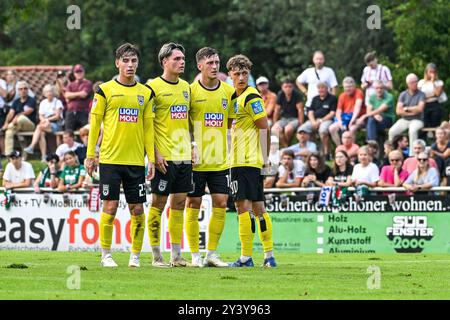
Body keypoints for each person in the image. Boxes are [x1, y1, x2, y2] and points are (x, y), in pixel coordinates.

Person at [85, 43, 155, 268]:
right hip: (109, 160)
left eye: (134, 60)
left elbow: (149, 129)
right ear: (117, 63)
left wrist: (151, 158)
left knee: (137, 209)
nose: (130, 65)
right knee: (110, 206)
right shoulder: (104, 90)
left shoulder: (145, 92)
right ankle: (106, 254)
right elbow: (94, 124)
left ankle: (135, 256)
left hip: (135, 162)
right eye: (125, 60)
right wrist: (90, 154)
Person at [185, 47, 235, 267]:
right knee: (193, 203)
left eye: (217, 62)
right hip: (196, 161)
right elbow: (183, 123)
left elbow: (229, 123)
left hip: (220, 160)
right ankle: (195, 255)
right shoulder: (190, 91)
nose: (215, 66)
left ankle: (211, 254)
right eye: (210, 63)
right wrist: (191, 145)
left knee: (221, 203)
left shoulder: (228, 91)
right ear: (200, 66)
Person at [227, 54, 276, 268]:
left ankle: (246, 257)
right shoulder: (233, 99)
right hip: (244, 161)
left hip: (245, 162)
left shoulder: (251, 97)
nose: (240, 77)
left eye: (244, 73)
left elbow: (265, 127)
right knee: (259, 209)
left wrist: (266, 160)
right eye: (237, 73)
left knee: (243, 209)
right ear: (230, 75)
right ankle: (269, 256)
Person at [145, 43, 192, 268]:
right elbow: (147, 124)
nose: (182, 62)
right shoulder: (152, 87)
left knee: (179, 205)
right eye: (177, 58)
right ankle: (156, 255)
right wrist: (154, 154)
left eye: (183, 58)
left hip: (184, 157)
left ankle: (176, 255)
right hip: (164, 157)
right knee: (158, 205)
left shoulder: (186, 87)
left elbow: (189, 120)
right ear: (165, 62)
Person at [23, 84, 64, 161]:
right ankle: (43, 156)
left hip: (55, 124)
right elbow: (40, 116)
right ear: (45, 94)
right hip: (45, 125)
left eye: (51, 91)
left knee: (39, 127)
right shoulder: (43, 103)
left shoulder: (57, 102)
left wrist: (47, 120)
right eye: (47, 92)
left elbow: (57, 116)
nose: (49, 93)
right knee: (41, 133)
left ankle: (32, 146)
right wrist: (45, 121)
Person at [388, 73, 426, 155]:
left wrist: (407, 109)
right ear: (408, 84)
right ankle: (392, 153)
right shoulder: (403, 94)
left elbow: (420, 109)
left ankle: (412, 155)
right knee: (392, 131)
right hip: (404, 120)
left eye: (416, 81)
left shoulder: (421, 94)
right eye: (413, 82)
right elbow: (398, 111)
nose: (415, 83)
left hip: (417, 120)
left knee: (412, 131)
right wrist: (413, 110)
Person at [298, 81, 337, 157]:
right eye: (319, 88)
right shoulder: (315, 98)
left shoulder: (332, 98)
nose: (321, 90)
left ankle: (326, 153)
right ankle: (309, 151)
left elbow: (332, 113)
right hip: (314, 120)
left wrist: (320, 121)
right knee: (302, 129)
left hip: (327, 120)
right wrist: (313, 121)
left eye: (323, 88)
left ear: (327, 89)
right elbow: (310, 111)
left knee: (323, 130)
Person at [2, 81, 37, 155]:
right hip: (18, 125)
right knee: (9, 132)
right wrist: (6, 123)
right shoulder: (16, 102)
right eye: (21, 89)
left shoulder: (32, 100)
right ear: (18, 91)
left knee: (21, 118)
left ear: (28, 90)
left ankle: (8, 126)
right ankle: (9, 154)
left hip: (30, 125)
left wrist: (16, 116)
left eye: (25, 88)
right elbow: (10, 113)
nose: (23, 90)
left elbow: (28, 111)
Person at [328, 77, 365, 146]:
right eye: (346, 87)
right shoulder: (342, 95)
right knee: (332, 128)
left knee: (352, 128)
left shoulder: (358, 92)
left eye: (350, 87)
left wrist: (352, 120)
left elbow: (357, 107)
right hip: (345, 117)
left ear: (354, 86)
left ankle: (352, 149)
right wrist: (339, 121)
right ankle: (340, 148)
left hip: (357, 117)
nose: (348, 89)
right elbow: (338, 111)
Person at [271, 79, 304, 147]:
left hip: (295, 118)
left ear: (293, 87)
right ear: (282, 88)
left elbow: (300, 110)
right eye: (286, 87)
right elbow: (277, 110)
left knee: (288, 129)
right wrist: (275, 123)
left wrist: (301, 124)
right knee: (274, 129)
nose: (288, 88)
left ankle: (286, 146)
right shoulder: (280, 94)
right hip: (284, 118)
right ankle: (286, 146)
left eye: (290, 86)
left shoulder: (297, 94)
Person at [64, 64, 93, 131]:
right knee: (68, 132)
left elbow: (84, 94)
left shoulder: (87, 83)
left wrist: (72, 95)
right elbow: (66, 95)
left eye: (80, 71)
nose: (79, 73)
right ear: (74, 74)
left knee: (85, 131)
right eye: (77, 72)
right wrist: (78, 94)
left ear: (83, 72)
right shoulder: (70, 84)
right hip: (71, 112)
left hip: (83, 112)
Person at [418, 63, 445, 128]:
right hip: (424, 104)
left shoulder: (439, 82)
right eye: (430, 72)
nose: (432, 73)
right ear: (426, 72)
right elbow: (419, 94)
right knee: (424, 124)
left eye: (433, 72)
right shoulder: (421, 82)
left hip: (434, 104)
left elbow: (437, 94)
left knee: (435, 124)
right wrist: (431, 96)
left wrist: (433, 82)